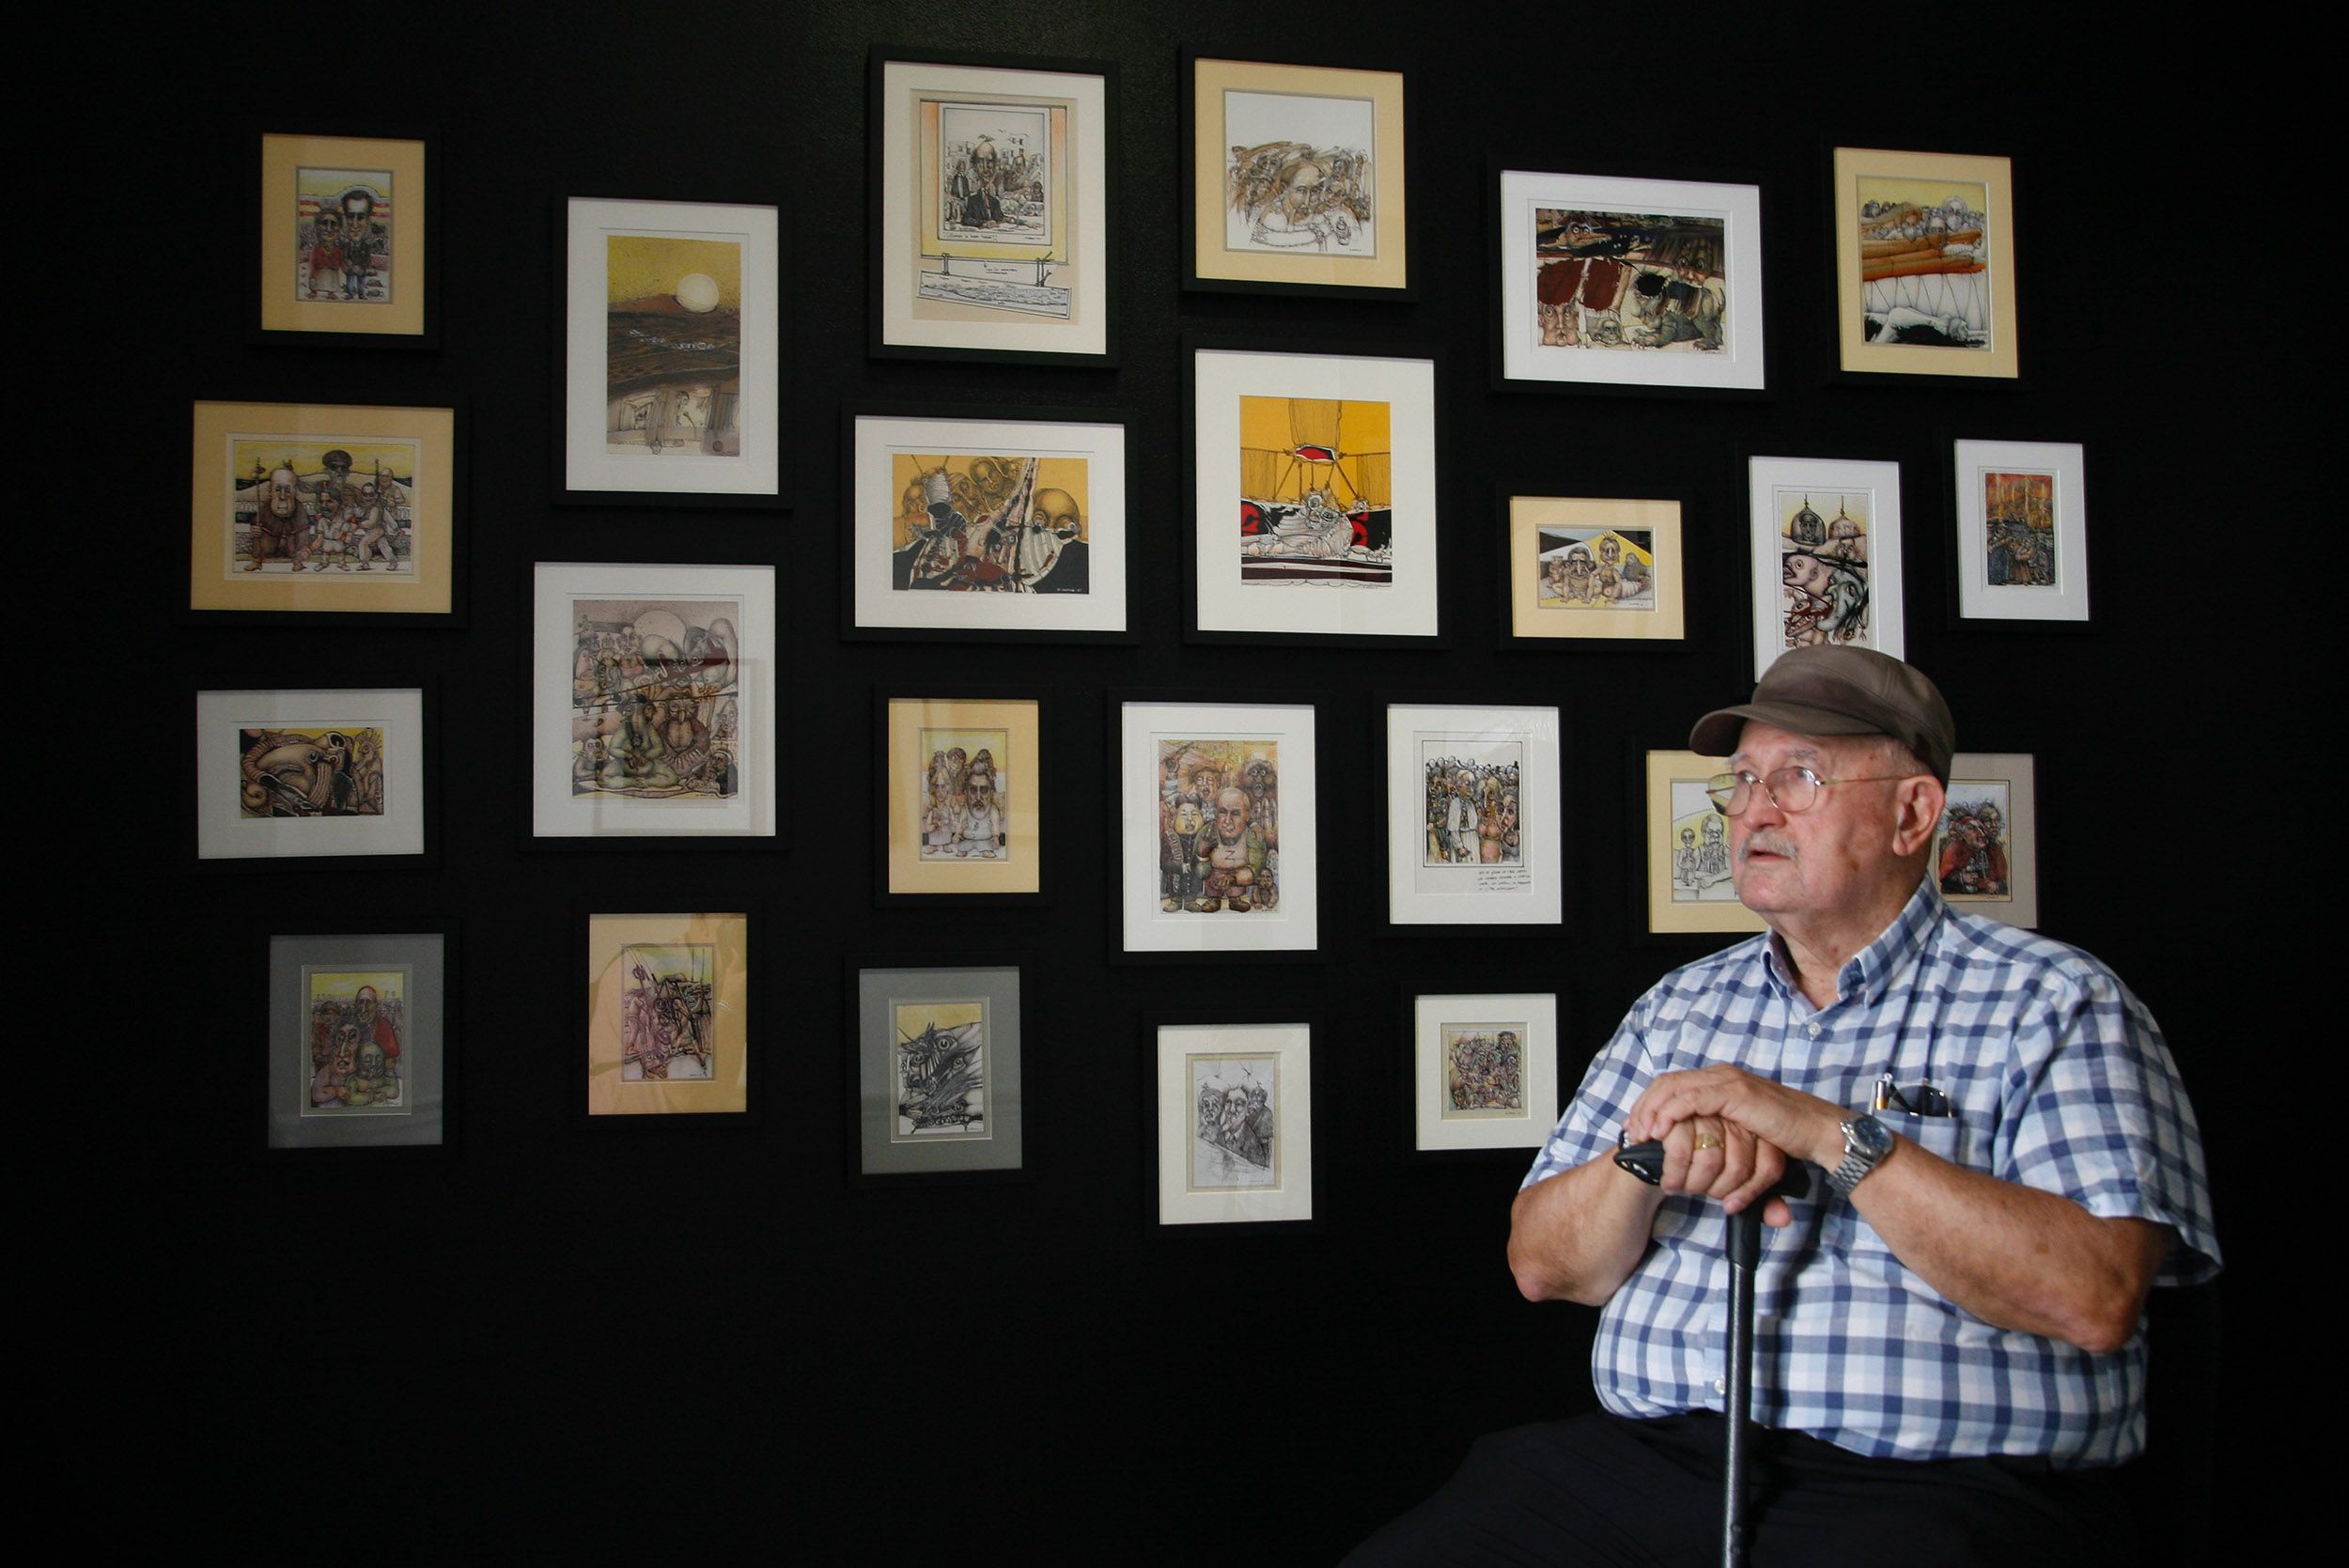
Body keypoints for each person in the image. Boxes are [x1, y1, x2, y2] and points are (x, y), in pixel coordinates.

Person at [1347, 645, 2218, 1564]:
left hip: (1933, 1489)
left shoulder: (2053, 1002)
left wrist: (1820, 1128)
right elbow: (1543, 1264)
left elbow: (2093, 1297)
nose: (1755, 809)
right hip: (1649, 1464)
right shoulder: (1679, 1005)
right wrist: (1651, 1161)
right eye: (1743, 780)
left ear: (1911, 812)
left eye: (1799, 776)